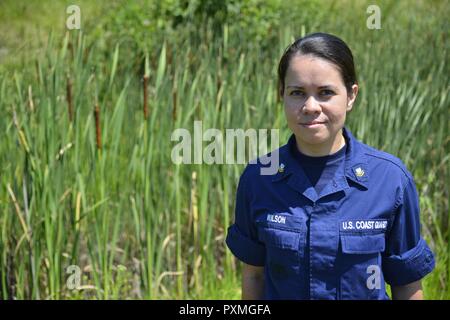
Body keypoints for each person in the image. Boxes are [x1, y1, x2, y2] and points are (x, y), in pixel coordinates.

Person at [225, 32, 435, 300]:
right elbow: (254, 274)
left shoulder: (390, 179)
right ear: (282, 95)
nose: (310, 106)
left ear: (350, 95)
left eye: (325, 92)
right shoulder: (259, 177)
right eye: (297, 93)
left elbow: (406, 284)